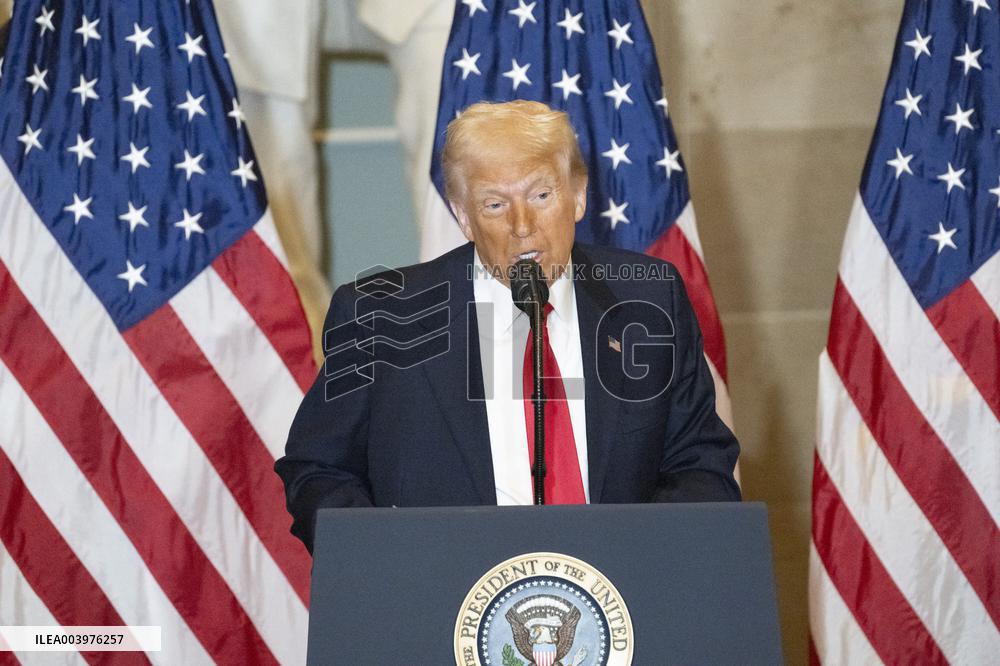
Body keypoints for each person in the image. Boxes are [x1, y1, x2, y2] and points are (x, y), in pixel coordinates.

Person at [276, 100, 740, 552]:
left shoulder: (648, 298)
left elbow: (699, 463)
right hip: (440, 604)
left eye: (541, 195)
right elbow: (319, 471)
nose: (523, 225)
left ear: (578, 196)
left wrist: (641, 563)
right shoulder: (379, 315)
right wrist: (393, 563)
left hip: (618, 605)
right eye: (495, 204)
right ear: (463, 217)